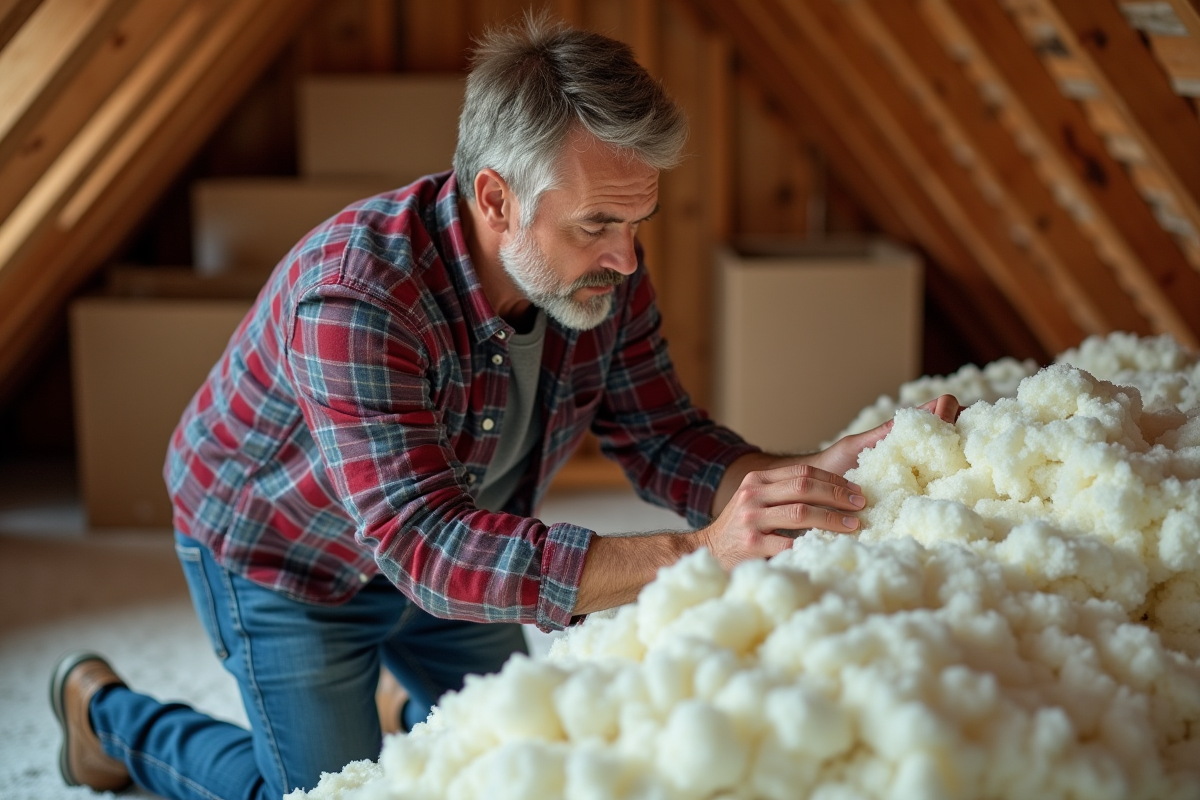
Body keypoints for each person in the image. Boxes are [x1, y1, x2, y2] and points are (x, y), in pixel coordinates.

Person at [50, 16, 960, 800]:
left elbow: (663, 437)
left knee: (516, 761)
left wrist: (801, 479)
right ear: (496, 198)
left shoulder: (601, 274)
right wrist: (698, 551)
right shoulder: (356, 296)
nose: (627, 259)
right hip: (286, 558)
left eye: (635, 224)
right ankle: (106, 717)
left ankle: (396, 697)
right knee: (334, 794)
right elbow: (424, 546)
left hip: (460, 534)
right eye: (597, 224)